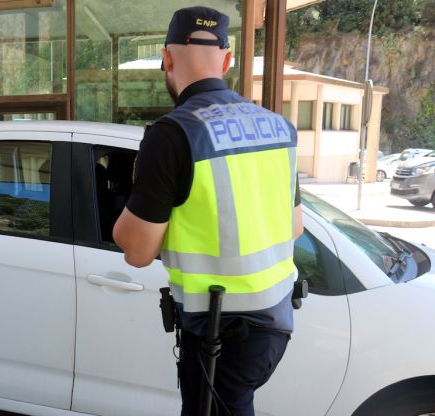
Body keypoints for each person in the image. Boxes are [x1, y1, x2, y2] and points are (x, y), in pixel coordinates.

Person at [112, 7, 303, 416]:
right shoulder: (278, 127)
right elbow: (295, 227)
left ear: (166, 58)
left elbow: (137, 251)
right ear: (228, 60)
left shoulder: (172, 134)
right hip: (275, 323)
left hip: (219, 332)